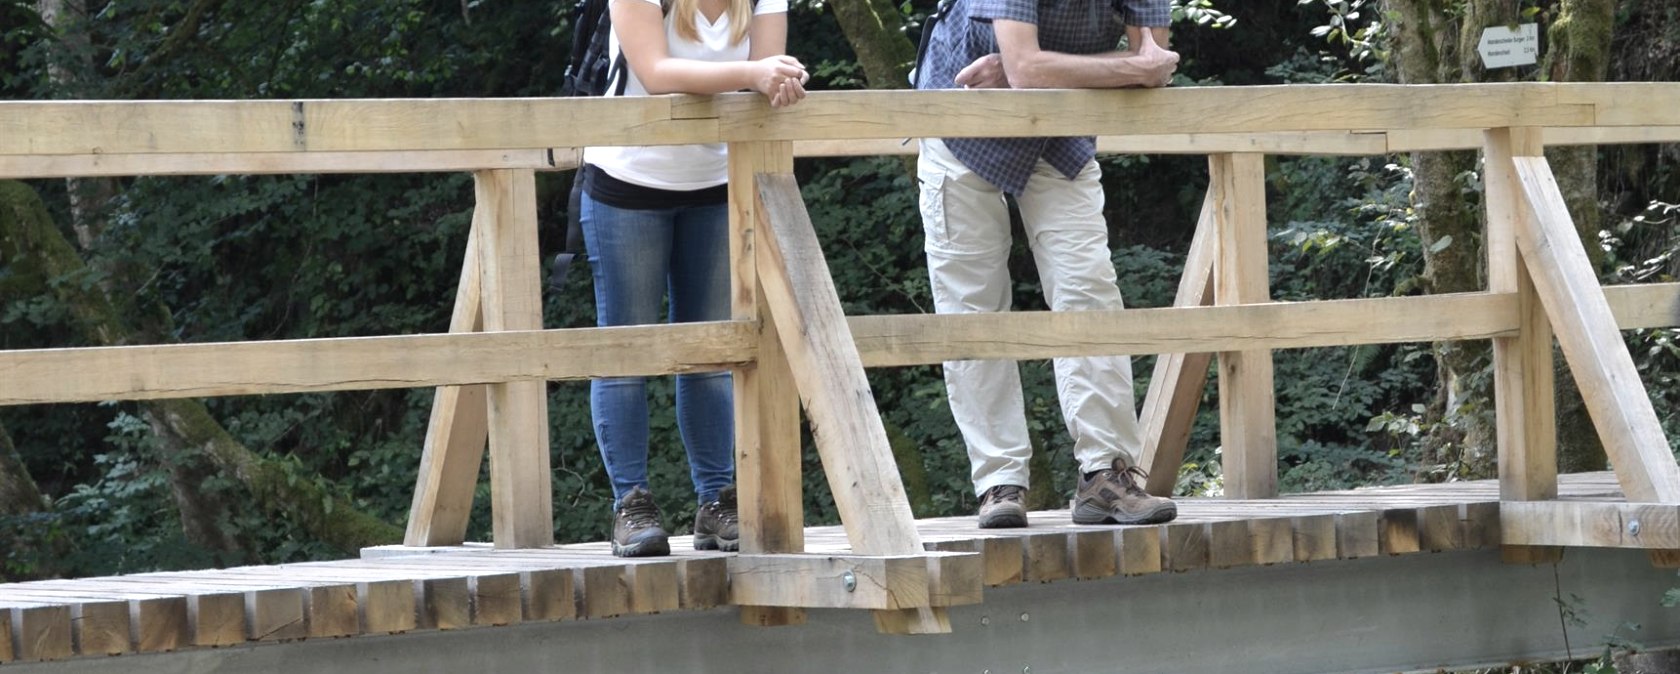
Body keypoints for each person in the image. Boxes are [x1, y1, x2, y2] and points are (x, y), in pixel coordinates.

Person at [914, 0, 1181, 528]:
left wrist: (1031, 68)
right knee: (972, 306)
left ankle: (1106, 475)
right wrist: (1030, 69)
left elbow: (1153, 63)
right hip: (963, 117)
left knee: (1089, 289)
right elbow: (1034, 68)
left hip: (1061, 126)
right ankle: (999, 482)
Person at [578, 0, 808, 557]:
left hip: (717, 182)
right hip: (628, 182)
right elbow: (656, 73)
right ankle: (631, 504)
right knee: (627, 350)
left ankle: (716, 500)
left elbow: (766, 74)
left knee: (712, 354)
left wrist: (781, 81)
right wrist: (758, 73)